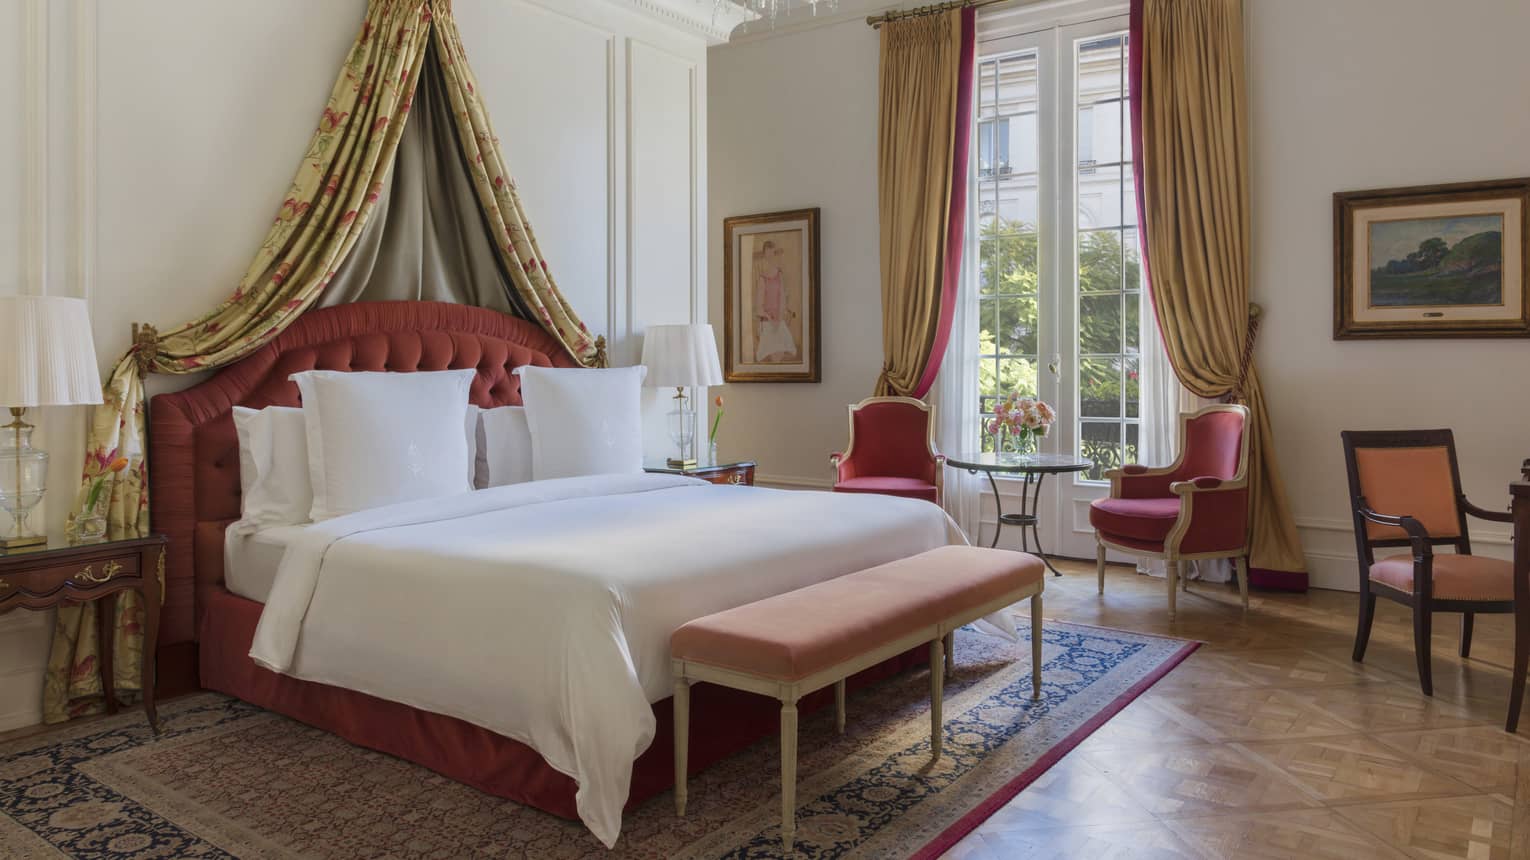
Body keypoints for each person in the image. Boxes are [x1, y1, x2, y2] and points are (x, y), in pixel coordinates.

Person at [753, 240, 797, 362]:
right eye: (768, 255)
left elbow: (782, 297)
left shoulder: (779, 275)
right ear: (764, 256)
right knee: (773, 352)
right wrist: (770, 318)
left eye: (772, 255)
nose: (770, 258)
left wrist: (779, 317)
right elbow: (759, 306)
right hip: (767, 322)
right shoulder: (762, 278)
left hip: (779, 320)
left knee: (783, 351)